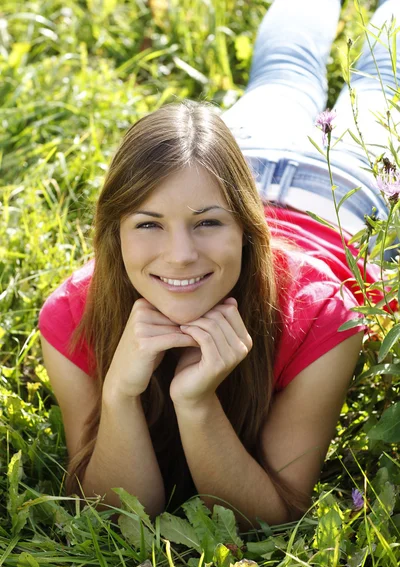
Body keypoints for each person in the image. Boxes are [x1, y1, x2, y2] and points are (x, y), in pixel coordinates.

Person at [38, 0, 399, 530]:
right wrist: (119, 395)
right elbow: (112, 515)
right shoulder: (73, 316)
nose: (180, 254)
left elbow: (274, 518)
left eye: (208, 226)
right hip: (220, 173)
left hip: (335, 188)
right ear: (113, 233)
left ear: (247, 229)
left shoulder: (320, 316)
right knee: (286, 72)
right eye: (148, 224)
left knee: (378, 78)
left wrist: (199, 404)